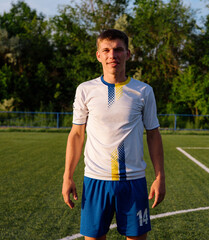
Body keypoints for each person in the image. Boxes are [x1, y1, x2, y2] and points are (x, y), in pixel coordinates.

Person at [62, 29, 166, 240]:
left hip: (133, 181)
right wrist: (67, 176)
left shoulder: (143, 91)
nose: (112, 55)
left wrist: (159, 177)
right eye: (106, 50)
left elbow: (153, 134)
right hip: (95, 180)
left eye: (118, 50)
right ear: (98, 55)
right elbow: (76, 135)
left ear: (128, 54)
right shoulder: (85, 90)